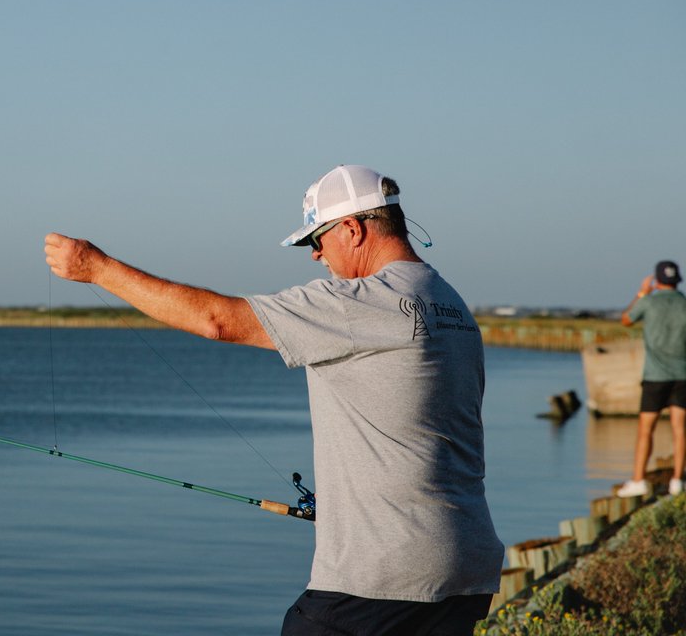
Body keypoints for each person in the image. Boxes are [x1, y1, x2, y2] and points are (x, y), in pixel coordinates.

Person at [45, 164, 503, 636]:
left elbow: (217, 320)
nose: (315, 255)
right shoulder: (450, 305)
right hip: (466, 568)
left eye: (316, 239)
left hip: (382, 575)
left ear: (352, 229)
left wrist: (97, 268)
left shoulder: (361, 301)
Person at [616, 260, 686, 498]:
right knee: (680, 429)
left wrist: (641, 293)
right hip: (683, 374)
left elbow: (626, 319)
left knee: (646, 429)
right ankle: (677, 480)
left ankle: (638, 480)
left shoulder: (649, 301)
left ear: (657, 281)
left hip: (656, 375)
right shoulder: (684, 304)